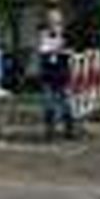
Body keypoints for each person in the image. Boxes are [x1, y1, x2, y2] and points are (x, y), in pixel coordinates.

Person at [38, 8, 76, 142]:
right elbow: (43, 50)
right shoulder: (43, 34)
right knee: (49, 105)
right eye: (51, 18)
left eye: (56, 18)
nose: (53, 20)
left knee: (67, 104)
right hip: (48, 74)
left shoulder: (67, 34)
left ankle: (69, 130)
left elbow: (71, 51)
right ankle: (50, 132)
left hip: (63, 73)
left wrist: (60, 47)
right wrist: (56, 48)